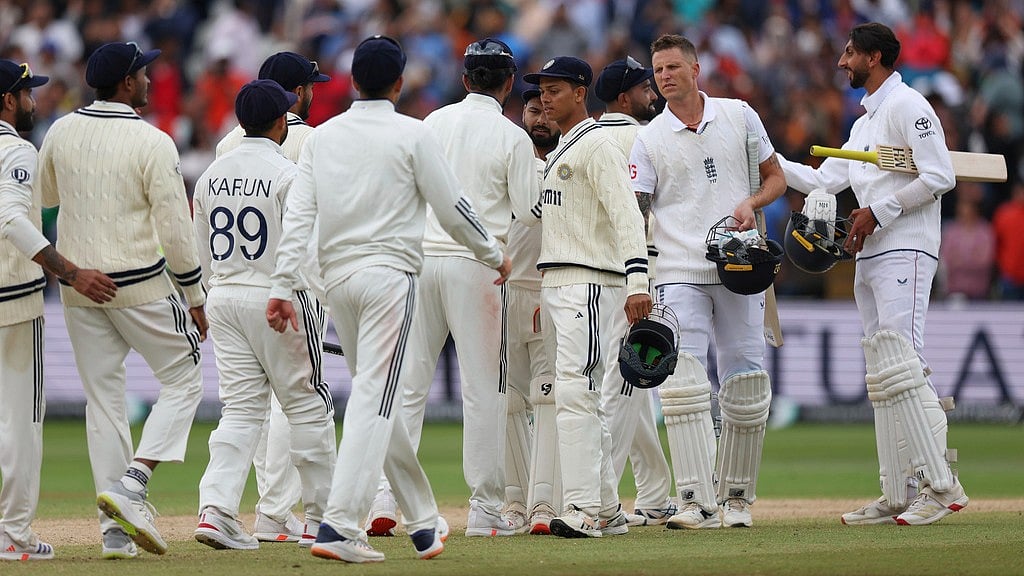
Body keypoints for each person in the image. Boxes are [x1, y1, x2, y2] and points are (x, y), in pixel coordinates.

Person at [266, 35, 510, 563]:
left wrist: (284, 285)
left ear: (353, 81)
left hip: (336, 282)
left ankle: (423, 522)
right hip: (389, 279)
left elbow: (300, 217)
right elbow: (452, 207)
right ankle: (337, 526)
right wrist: (493, 254)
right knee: (378, 398)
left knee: (381, 398)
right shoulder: (412, 134)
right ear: (400, 83)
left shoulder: (323, 137)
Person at [776, 22, 968, 525]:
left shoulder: (909, 107)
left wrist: (878, 211)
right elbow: (822, 179)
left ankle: (941, 486)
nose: (842, 62)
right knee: (885, 376)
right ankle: (897, 491)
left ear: (875, 57)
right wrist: (765, 158)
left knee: (904, 367)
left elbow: (940, 175)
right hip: (870, 254)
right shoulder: (864, 123)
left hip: (905, 248)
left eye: (849, 53)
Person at [37, 41, 209, 558]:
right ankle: (133, 484)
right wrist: (195, 292)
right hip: (141, 284)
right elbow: (176, 229)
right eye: (144, 73)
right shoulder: (152, 140)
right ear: (128, 84)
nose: (151, 80)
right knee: (184, 378)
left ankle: (114, 532)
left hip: (79, 288)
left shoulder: (61, 130)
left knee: (105, 403)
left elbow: (44, 199)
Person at [368, 37, 538, 538]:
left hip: (421, 262)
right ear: (509, 83)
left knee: (407, 387)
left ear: (465, 79)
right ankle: (485, 511)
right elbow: (530, 210)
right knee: (485, 390)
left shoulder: (431, 123)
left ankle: (385, 497)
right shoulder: (512, 138)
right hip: (478, 265)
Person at [631, 34, 786, 529]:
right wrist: (637, 276)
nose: (665, 76)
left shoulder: (739, 115)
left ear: (697, 69)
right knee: (683, 385)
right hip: (677, 270)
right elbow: (635, 213)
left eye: (674, 66)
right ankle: (696, 501)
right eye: (658, 70)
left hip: (740, 266)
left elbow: (775, 177)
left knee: (746, 384)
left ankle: (737, 500)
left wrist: (752, 204)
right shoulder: (648, 137)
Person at [191, 79, 337, 551]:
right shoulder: (289, 174)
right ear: (281, 121)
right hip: (279, 296)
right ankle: (320, 519)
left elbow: (200, 250)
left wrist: (210, 293)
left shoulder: (212, 174)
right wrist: (318, 302)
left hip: (224, 295)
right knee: (307, 405)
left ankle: (216, 510)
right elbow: (304, 248)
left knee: (240, 411)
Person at [523, 56, 650, 538]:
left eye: (554, 89)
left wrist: (638, 283)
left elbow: (626, 215)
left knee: (580, 394)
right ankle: (607, 508)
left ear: (581, 93)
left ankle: (581, 509)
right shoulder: (562, 148)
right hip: (563, 282)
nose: (544, 98)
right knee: (578, 395)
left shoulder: (596, 146)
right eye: (541, 90)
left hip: (592, 283)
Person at [0, 59, 117, 562]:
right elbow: (8, 215)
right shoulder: (15, 149)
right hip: (12, 303)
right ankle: (13, 534)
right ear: (8, 99)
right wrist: (70, 271)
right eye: (27, 94)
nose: (33, 102)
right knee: (20, 422)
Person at [593, 56, 677, 527]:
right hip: (636, 275)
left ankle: (654, 493)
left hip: (597, 274)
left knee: (633, 384)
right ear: (625, 97)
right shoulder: (642, 137)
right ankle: (603, 499)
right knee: (626, 380)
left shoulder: (585, 137)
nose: (654, 94)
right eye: (646, 87)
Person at [503, 87, 561, 535]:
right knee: (508, 402)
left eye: (546, 110)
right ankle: (513, 503)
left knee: (547, 398)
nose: (539, 117)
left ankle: (544, 504)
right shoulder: (508, 160)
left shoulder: (567, 163)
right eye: (532, 109)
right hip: (504, 293)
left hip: (549, 291)